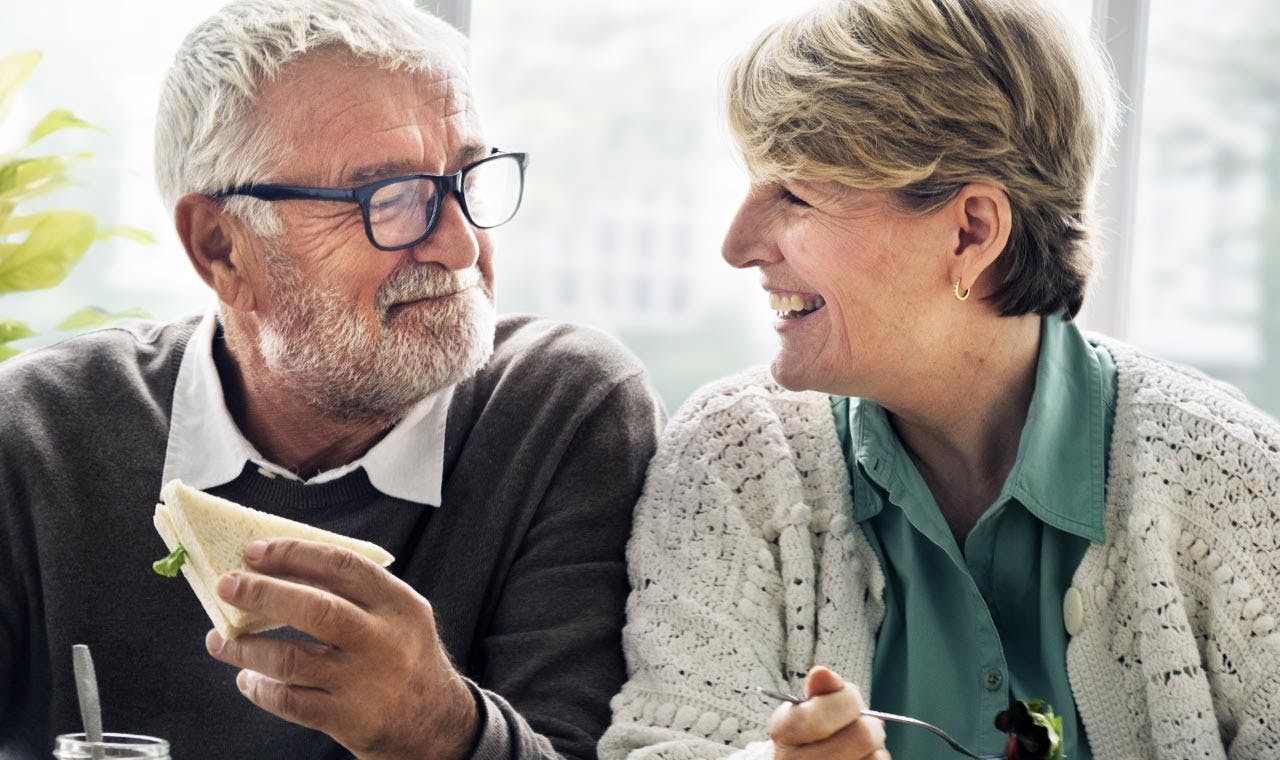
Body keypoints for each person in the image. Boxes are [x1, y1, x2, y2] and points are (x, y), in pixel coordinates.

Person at [600, 1, 1280, 759]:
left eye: (794, 193)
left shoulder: (1239, 485)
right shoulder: (734, 457)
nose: (737, 245)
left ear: (972, 232)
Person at [0, 1, 663, 758]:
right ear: (221, 248)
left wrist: (442, 728)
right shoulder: (36, 437)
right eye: (390, 197)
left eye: (468, 178)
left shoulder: (563, 412)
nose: (458, 244)